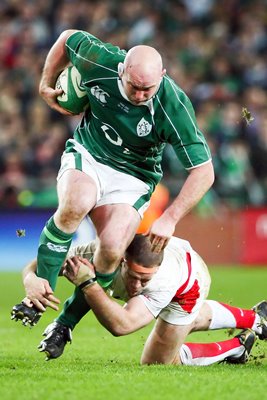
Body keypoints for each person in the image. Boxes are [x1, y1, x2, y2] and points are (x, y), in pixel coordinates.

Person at [11, 29, 214, 325]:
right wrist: (45, 83)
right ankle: (38, 296)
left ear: (163, 76)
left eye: (149, 89)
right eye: (134, 86)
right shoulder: (101, 61)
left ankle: (64, 324)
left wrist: (170, 218)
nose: (141, 95)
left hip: (134, 175)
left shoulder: (173, 106)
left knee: (112, 248)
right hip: (90, 152)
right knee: (75, 204)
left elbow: (204, 171)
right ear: (122, 71)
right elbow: (68, 38)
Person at [17, 234, 266, 365]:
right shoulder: (100, 253)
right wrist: (30, 281)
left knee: (157, 362)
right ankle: (256, 318)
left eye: (144, 280)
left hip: (189, 283)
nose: (136, 286)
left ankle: (237, 349)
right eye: (133, 276)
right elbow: (41, 264)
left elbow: (122, 325)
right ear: (121, 260)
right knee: (186, 323)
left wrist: (87, 283)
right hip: (173, 258)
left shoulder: (162, 280)